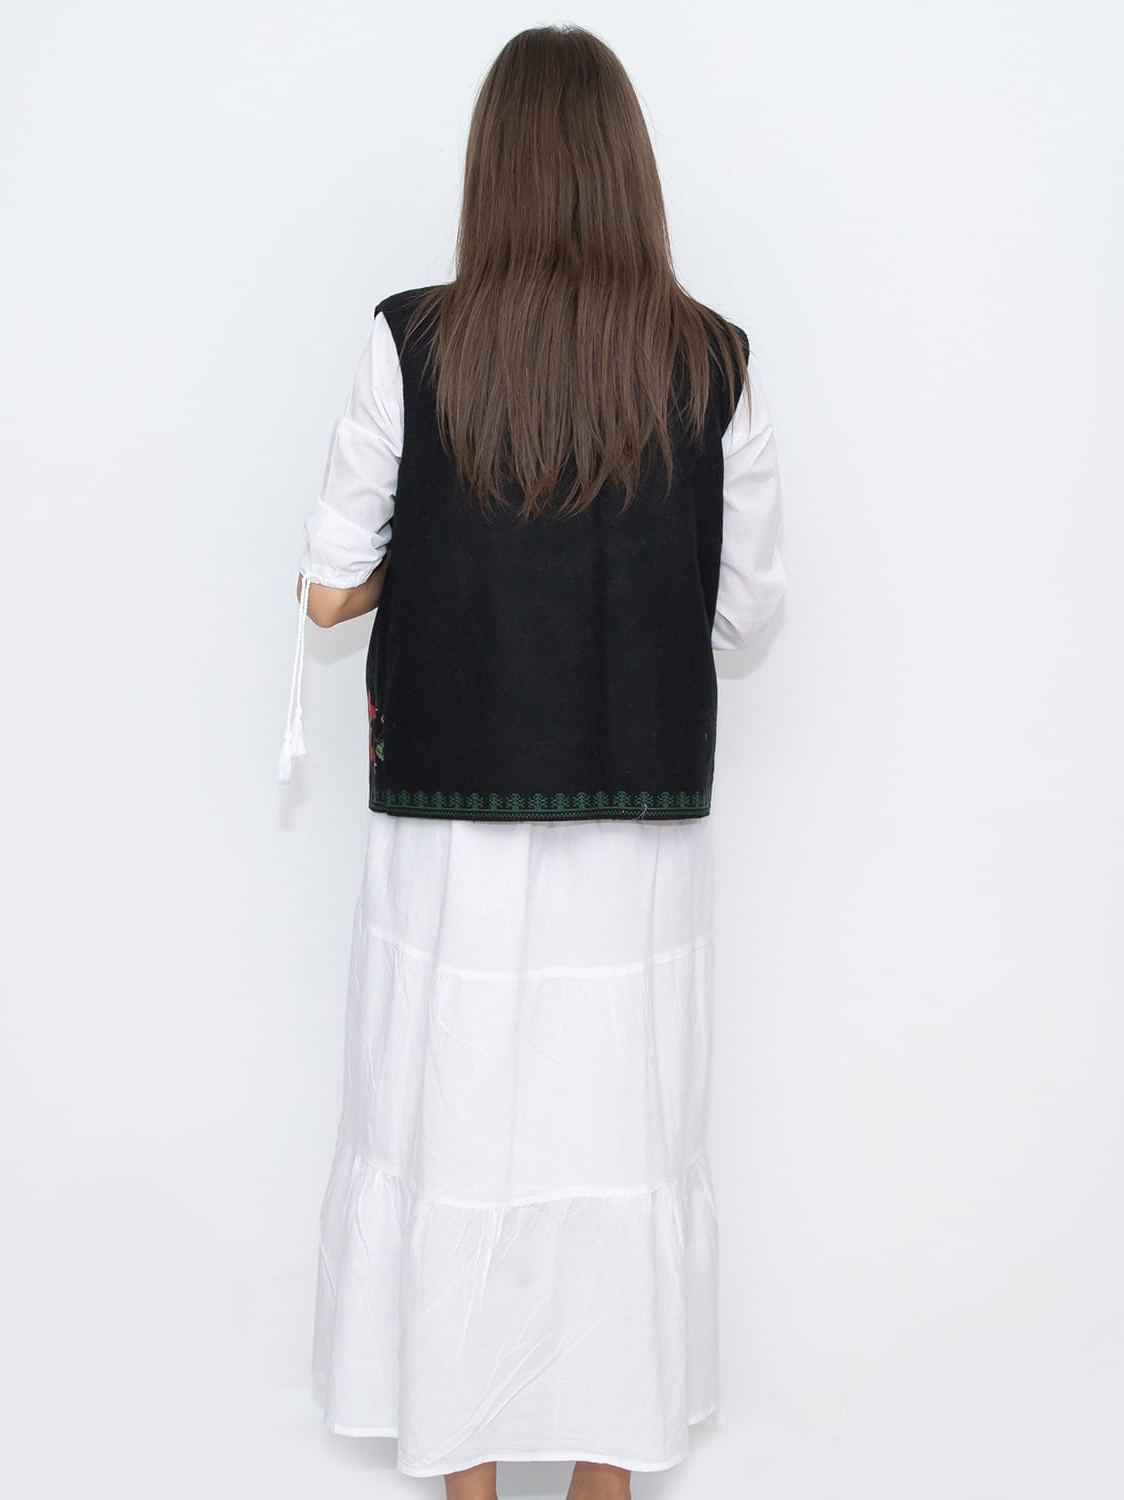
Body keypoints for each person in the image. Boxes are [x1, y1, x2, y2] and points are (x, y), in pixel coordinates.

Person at [278, 24, 785, 1500]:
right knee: (620, 1137)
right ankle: (606, 1480)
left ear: (489, 168)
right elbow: (747, 616)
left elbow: (328, 592)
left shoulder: (410, 343)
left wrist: (427, 564)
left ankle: (470, 1474)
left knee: (453, 1136)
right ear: (631, 172)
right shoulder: (717, 364)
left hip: (451, 824)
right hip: (637, 832)